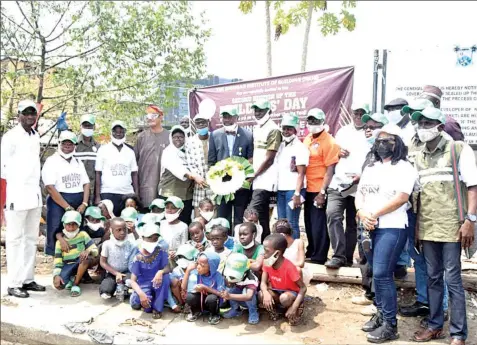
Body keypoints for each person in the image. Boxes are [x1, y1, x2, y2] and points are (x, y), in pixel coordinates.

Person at [411, 107, 476, 345]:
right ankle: (435, 325)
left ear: (440, 127)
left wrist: (470, 220)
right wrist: (418, 227)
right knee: (433, 277)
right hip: (428, 226)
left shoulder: (459, 149)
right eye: (420, 123)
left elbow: (473, 186)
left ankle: (458, 333)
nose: (422, 127)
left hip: (452, 226)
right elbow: (419, 195)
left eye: (428, 123)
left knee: (453, 279)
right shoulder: (419, 155)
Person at [355, 124, 417, 343]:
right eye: (378, 141)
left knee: (382, 274)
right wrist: (362, 213)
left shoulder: (405, 168)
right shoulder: (371, 168)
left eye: (387, 141)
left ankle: (391, 324)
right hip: (369, 226)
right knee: (374, 271)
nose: (382, 144)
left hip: (393, 227)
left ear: (397, 143)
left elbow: (402, 197)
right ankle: (381, 315)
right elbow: (359, 195)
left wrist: (374, 214)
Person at [398, 99, 450, 324]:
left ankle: (442, 306)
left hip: (434, 212)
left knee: (436, 263)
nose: (416, 120)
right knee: (417, 257)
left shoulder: (445, 142)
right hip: (412, 207)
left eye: (420, 116)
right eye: (413, 116)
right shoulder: (411, 140)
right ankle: (424, 301)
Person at [1, 100, 45, 298]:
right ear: (18, 115)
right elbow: (3, 167)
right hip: (17, 194)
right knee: (14, 239)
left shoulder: (35, 136)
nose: (30, 116)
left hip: (33, 195)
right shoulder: (11, 137)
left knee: (30, 239)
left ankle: (27, 279)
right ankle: (14, 283)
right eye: (26, 113)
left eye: (33, 113)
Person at [325, 104, 371, 269]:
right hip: (339, 183)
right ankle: (338, 255)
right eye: (355, 112)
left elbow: (376, 158)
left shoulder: (371, 132)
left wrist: (363, 176)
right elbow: (333, 154)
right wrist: (337, 153)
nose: (358, 115)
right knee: (333, 215)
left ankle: (348, 258)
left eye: (361, 113)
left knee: (353, 223)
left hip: (359, 185)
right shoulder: (343, 131)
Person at [42, 130, 90, 256]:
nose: (67, 146)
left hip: (78, 201)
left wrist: (84, 203)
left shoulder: (78, 162)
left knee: (78, 231)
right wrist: (67, 207)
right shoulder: (51, 161)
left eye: (71, 144)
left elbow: (86, 183)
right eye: (64, 143)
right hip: (59, 201)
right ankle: (58, 267)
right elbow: (50, 188)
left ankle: (77, 267)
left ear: (75, 145)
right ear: (59, 144)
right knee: (56, 230)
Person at [303, 108, 340, 264]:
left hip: (320, 188)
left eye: (316, 121)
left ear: (323, 122)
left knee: (319, 225)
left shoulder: (330, 141)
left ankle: (319, 256)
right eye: (310, 120)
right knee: (309, 223)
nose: (313, 124)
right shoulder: (307, 139)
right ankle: (311, 251)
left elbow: (330, 169)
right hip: (308, 188)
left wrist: (323, 192)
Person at [208, 106, 254, 227]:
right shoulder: (214, 135)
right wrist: (215, 182)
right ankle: (225, 244)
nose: (227, 120)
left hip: (241, 187)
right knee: (223, 219)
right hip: (222, 186)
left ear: (237, 117)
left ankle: (239, 244)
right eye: (224, 117)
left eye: (230, 116)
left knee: (240, 219)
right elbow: (211, 161)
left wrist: (244, 182)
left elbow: (251, 161)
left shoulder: (248, 135)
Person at [249, 100, 282, 241]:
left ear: (269, 111)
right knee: (262, 217)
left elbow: (269, 159)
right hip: (256, 179)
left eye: (261, 110)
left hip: (266, 180)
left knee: (251, 213)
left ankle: (253, 246)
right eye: (256, 110)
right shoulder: (257, 128)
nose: (257, 113)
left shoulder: (274, 129)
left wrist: (254, 175)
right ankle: (265, 244)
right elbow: (255, 156)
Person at [159, 125, 205, 225]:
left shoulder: (189, 151)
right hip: (170, 194)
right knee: (170, 221)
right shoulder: (168, 152)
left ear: (185, 138)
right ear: (171, 138)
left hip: (186, 195)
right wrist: (195, 177)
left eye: (181, 136)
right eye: (175, 137)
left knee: (185, 221)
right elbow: (178, 169)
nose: (178, 139)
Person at [259, 233, 307, 326]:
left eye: (266, 251)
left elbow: (303, 288)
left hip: (290, 294)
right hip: (276, 292)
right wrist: (265, 293)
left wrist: (294, 306)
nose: (263, 254)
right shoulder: (267, 263)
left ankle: (295, 308)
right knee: (261, 294)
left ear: (277, 253)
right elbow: (263, 283)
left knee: (285, 298)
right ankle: (276, 311)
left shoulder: (289, 267)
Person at [276, 113, 309, 240]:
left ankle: (294, 252)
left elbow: (301, 173)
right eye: (284, 128)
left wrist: (297, 194)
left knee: (291, 223)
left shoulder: (300, 148)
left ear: (295, 129)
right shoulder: (281, 145)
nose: (286, 131)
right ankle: (283, 251)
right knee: (281, 223)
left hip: (294, 190)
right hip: (281, 189)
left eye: (289, 128)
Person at [95, 120, 139, 216]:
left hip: (127, 193)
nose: (118, 134)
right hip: (107, 192)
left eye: (121, 131)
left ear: (125, 133)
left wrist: (136, 193)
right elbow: (98, 173)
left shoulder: (130, 151)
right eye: (116, 131)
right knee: (110, 222)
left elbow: (134, 173)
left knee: (127, 221)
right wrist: (97, 196)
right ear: (111, 132)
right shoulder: (103, 150)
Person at [52, 211, 99, 297]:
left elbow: (95, 250)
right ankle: (72, 278)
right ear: (64, 225)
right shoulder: (59, 242)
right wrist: (56, 276)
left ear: (78, 225)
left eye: (74, 224)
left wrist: (88, 251)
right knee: (61, 284)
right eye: (68, 224)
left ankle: (75, 284)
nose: (71, 227)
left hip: (80, 262)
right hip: (68, 266)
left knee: (85, 260)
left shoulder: (83, 235)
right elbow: (58, 262)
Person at [129, 223, 171, 319]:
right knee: (143, 305)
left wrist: (160, 272)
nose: (153, 241)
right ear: (143, 237)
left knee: (166, 277)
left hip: (157, 282)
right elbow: (133, 280)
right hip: (143, 285)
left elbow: (168, 268)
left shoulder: (161, 251)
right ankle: (136, 297)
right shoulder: (138, 256)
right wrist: (141, 294)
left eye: (155, 238)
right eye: (150, 238)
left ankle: (158, 308)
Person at [134, 105, 170, 206]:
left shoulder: (170, 136)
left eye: (153, 115)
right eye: (148, 116)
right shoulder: (141, 137)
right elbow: (134, 163)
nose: (150, 118)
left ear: (161, 117)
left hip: (166, 186)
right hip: (146, 186)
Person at [182, 252, 225, 325]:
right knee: (189, 297)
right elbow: (183, 287)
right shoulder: (197, 273)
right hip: (201, 300)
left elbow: (222, 294)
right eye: (197, 263)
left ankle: (214, 314)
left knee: (212, 298)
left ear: (211, 267)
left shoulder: (218, 276)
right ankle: (196, 311)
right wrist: (188, 270)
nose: (198, 267)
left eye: (202, 265)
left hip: (212, 302)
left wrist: (205, 288)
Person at [185, 114, 214, 216]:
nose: (201, 125)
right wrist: (197, 177)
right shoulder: (190, 142)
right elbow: (190, 163)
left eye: (203, 122)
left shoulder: (215, 138)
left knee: (214, 210)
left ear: (208, 122)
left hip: (214, 182)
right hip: (199, 182)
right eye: (198, 123)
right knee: (199, 213)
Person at [99, 218, 135, 300]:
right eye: (118, 230)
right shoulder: (107, 244)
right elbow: (103, 262)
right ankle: (114, 288)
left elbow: (140, 244)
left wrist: (134, 231)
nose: (122, 232)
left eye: (124, 229)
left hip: (126, 272)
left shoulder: (130, 243)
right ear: (111, 231)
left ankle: (124, 287)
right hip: (112, 273)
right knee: (106, 290)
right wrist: (116, 273)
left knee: (131, 282)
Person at [221, 253, 260, 325]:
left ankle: (253, 312)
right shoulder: (227, 270)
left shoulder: (250, 280)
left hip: (251, 297)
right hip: (238, 290)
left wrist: (229, 296)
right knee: (230, 290)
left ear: (245, 272)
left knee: (245, 292)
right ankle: (236, 309)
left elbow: (249, 296)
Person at [273, 219, 312, 286]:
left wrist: (286, 266)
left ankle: (298, 291)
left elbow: (301, 263)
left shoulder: (298, 242)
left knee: (297, 269)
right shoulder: (276, 245)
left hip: (295, 272)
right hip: (281, 271)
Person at [75, 115, 100, 204]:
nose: (87, 128)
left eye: (90, 125)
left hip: (93, 190)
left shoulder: (98, 146)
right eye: (85, 125)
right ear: (80, 127)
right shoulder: (74, 145)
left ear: (94, 127)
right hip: (77, 189)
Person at [169, 243, 200, 308]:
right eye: (180, 257)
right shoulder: (177, 270)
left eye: (184, 257)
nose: (181, 259)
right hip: (182, 294)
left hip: (193, 294)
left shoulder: (197, 271)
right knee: (173, 281)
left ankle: (189, 304)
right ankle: (181, 303)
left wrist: (188, 271)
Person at [160, 196, 189, 261]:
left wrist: (175, 253)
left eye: (173, 208)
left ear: (180, 210)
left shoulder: (183, 226)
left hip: (175, 259)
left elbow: (184, 247)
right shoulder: (161, 223)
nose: (169, 210)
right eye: (167, 207)